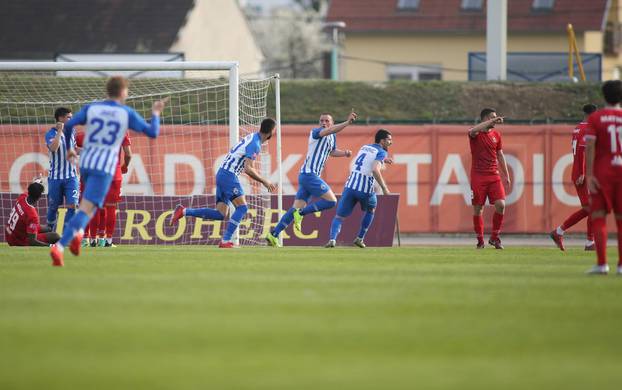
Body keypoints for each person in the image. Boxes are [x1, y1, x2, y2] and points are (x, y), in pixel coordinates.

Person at [49, 76, 167, 266]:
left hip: (86, 163)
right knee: (88, 208)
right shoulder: (125, 113)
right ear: (123, 92)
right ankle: (60, 247)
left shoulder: (92, 108)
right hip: (104, 166)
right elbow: (153, 132)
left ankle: (79, 234)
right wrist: (155, 113)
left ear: (107, 91)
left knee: (89, 206)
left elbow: (69, 125)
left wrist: (71, 149)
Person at [170, 118, 277, 248]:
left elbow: (250, 166)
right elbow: (247, 168)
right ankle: (225, 240)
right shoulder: (255, 144)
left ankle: (184, 211)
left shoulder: (252, 138)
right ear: (271, 132)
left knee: (220, 214)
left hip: (222, 173)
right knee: (242, 208)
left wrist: (260, 178)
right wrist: (264, 181)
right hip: (229, 176)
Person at [266, 111, 357, 246]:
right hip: (310, 175)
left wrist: (344, 153)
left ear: (331, 122)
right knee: (331, 201)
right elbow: (330, 130)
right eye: (322, 121)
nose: (324, 123)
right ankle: (302, 214)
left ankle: (273, 234)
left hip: (307, 176)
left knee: (294, 209)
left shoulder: (332, 136)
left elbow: (331, 151)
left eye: (327, 121)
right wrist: (347, 122)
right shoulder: (315, 132)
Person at [325, 129, 392, 248]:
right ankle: (360, 238)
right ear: (382, 141)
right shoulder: (381, 152)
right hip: (365, 189)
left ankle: (332, 239)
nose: (391, 142)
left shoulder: (364, 147)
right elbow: (374, 169)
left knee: (339, 216)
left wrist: (384, 159)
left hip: (350, 186)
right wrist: (384, 188)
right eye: (389, 140)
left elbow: (367, 159)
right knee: (371, 210)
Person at [584, 80, 622, 275]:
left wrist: (589, 174)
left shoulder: (596, 118)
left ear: (603, 95)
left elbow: (589, 146)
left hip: (603, 174)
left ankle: (602, 264)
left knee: (598, 217)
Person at [550, 104, 597, 251]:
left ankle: (588, 241)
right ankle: (562, 232)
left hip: (580, 171)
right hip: (583, 173)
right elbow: (583, 151)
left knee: (591, 208)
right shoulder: (588, 129)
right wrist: (584, 172)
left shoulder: (577, 128)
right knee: (591, 208)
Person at [75, 130, 132, 247]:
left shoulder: (89, 132)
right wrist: (124, 166)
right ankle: (106, 241)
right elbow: (128, 154)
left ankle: (89, 240)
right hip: (113, 174)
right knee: (110, 208)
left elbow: (72, 148)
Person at [468, 108, 511, 249]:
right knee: (478, 209)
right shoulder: (475, 133)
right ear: (485, 118)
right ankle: (480, 241)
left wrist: (506, 173)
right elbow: (473, 130)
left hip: (494, 175)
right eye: (493, 117)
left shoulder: (496, 135)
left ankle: (494, 237)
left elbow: (500, 155)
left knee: (501, 205)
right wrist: (493, 120)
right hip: (478, 176)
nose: (496, 119)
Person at [45, 107, 79, 231]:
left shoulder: (72, 131)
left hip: (71, 176)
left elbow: (74, 149)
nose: (71, 119)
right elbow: (53, 148)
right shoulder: (50, 133)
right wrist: (60, 131)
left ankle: (66, 235)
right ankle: (48, 232)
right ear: (61, 118)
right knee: (53, 207)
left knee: (73, 205)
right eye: (69, 117)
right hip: (55, 177)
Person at [5, 181, 60, 246]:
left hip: (9, 234)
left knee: (48, 229)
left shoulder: (22, 197)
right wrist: (51, 246)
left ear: (29, 191)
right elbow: (32, 241)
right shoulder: (32, 215)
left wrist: (37, 182)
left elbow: (32, 189)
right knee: (55, 236)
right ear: (39, 196)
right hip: (17, 241)